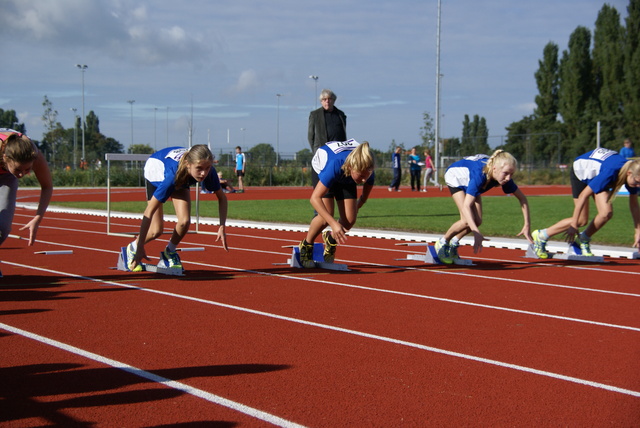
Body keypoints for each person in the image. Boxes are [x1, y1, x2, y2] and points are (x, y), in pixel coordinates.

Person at [126, 145, 229, 272]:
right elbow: (149, 211)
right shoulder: (171, 177)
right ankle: (132, 247)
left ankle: (169, 252)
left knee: (184, 221)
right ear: (188, 164)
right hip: (156, 171)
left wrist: (222, 226)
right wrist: (140, 245)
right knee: (156, 230)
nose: (203, 173)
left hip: (181, 176)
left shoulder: (208, 171)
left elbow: (222, 198)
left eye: (207, 168)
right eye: (199, 169)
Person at [531, 149, 640, 258]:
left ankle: (583, 239)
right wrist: (573, 224)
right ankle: (541, 235)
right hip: (580, 172)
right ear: (629, 173)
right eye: (637, 182)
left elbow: (634, 206)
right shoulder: (611, 172)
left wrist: (638, 231)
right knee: (581, 220)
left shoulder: (631, 175)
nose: (638, 186)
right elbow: (583, 195)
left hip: (598, 172)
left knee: (606, 213)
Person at [435, 150, 532, 264]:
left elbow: (522, 199)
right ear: (494, 168)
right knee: (466, 220)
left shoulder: (505, 178)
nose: (508, 178)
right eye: (506, 173)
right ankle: (442, 242)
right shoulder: (479, 176)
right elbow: (466, 206)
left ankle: (454, 243)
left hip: (470, 179)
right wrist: (476, 232)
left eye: (511, 174)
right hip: (456, 176)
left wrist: (527, 225)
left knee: (477, 221)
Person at [298, 139, 375, 268]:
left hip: (346, 174)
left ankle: (331, 240)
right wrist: (333, 224)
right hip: (324, 167)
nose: (363, 180)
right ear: (351, 167)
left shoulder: (367, 168)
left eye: (365, 177)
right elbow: (314, 198)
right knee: (325, 217)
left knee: (350, 220)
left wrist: (360, 203)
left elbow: (366, 188)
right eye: (361, 176)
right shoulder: (335, 165)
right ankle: (307, 244)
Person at [0, 128, 53, 247]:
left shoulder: (35, 156)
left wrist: (37, 219)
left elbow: (47, 186)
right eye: (18, 169)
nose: (21, 174)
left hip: (6, 175)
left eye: (27, 169)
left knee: (2, 228)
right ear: (5, 158)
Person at [307, 89, 347, 188]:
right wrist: (317, 152)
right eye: (324, 99)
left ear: (334, 100)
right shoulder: (315, 115)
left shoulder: (341, 115)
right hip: (323, 155)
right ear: (321, 101)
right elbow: (310, 136)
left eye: (329, 99)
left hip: (338, 156)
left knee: (338, 187)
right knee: (322, 188)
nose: (327, 101)